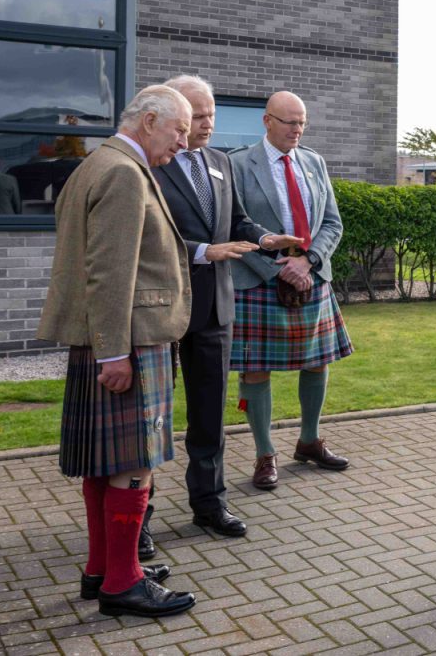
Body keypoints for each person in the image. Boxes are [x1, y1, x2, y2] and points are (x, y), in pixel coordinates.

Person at [36, 85, 197, 618]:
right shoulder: (125, 173)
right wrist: (113, 354)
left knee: (103, 464)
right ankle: (122, 583)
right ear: (150, 120)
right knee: (134, 463)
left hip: (108, 337)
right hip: (128, 338)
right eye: (179, 129)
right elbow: (109, 270)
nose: (184, 140)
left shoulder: (94, 163)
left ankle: (103, 568)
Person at [147, 76, 303, 543]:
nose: (207, 124)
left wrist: (263, 238)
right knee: (151, 416)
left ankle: (210, 504)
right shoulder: (151, 164)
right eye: (197, 115)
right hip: (160, 306)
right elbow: (150, 235)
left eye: (211, 113)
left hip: (215, 306)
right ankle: (138, 517)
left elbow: (235, 219)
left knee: (210, 414)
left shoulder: (220, 162)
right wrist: (201, 251)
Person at [228, 91, 353, 490]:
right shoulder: (237, 164)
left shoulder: (314, 162)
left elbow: (332, 223)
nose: (297, 130)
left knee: (317, 361)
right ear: (267, 121)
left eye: (302, 122)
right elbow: (234, 226)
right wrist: (276, 268)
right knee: (255, 368)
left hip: (311, 276)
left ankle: (310, 441)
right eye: (289, 122)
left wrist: (308, 262)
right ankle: (265, 454)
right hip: (260, 280)